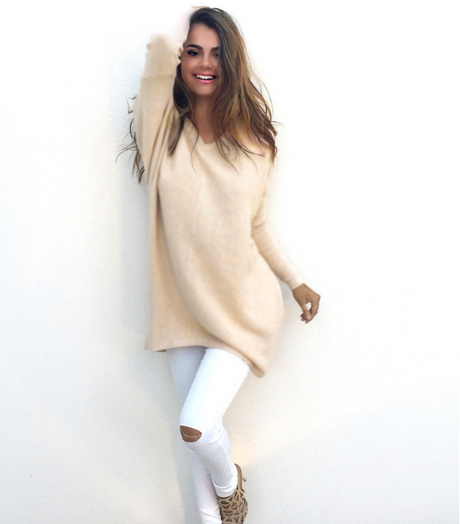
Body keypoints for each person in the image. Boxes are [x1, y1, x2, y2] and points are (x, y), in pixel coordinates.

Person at [123, 6, 320, 524]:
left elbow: (256, 225)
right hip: (181, 307)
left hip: (243, 307)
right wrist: (185, 21)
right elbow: (156, 54)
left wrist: (295, 281)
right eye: (193, 52)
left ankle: (231, 485)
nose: (205, 63)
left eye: (216, 53)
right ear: (180, 59)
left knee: (195, 425)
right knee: (193, 439)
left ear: (231, 61)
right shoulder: (161, 133)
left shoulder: (253, 143)